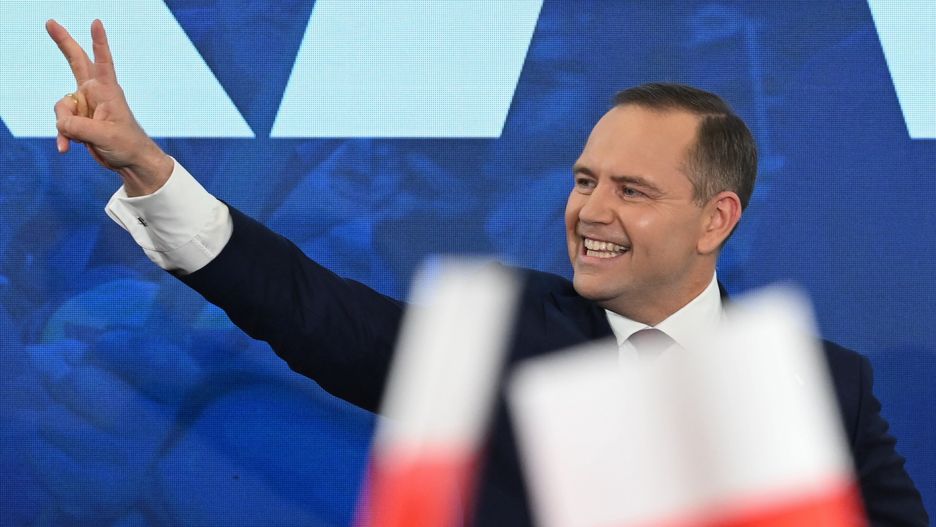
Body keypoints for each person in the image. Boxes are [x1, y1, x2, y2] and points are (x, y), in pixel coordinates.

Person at [47, 19, 927, 526]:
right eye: (584, 180)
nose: (590, 211)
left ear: (716, 219)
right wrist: (152, 172)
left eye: (631, 190)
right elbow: (311, 311)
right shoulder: (505, 332)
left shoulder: (826, 386)